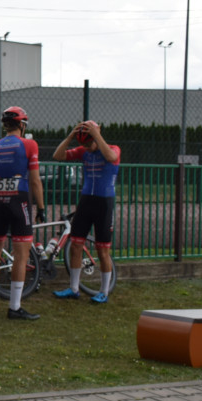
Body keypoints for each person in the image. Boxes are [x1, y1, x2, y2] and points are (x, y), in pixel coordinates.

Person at [0, 106, 44, 321]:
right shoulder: (29, 144)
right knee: (21, 255)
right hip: (20, 202)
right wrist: (40, 207)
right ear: (22, 125)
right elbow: (34, 180)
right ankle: (14, 307)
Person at [51, 120, 120, 303]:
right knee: (75, 245)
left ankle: (104, 292)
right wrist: (70, 137)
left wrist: (96, 135)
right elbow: (58, 155)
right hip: (86, 202)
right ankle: (74, 288)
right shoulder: (83, 152)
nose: (87, 148)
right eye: (84, 144)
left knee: (102, 250)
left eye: (89, 144)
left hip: (104, 203)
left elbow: (112, 157)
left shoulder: (113, 148)